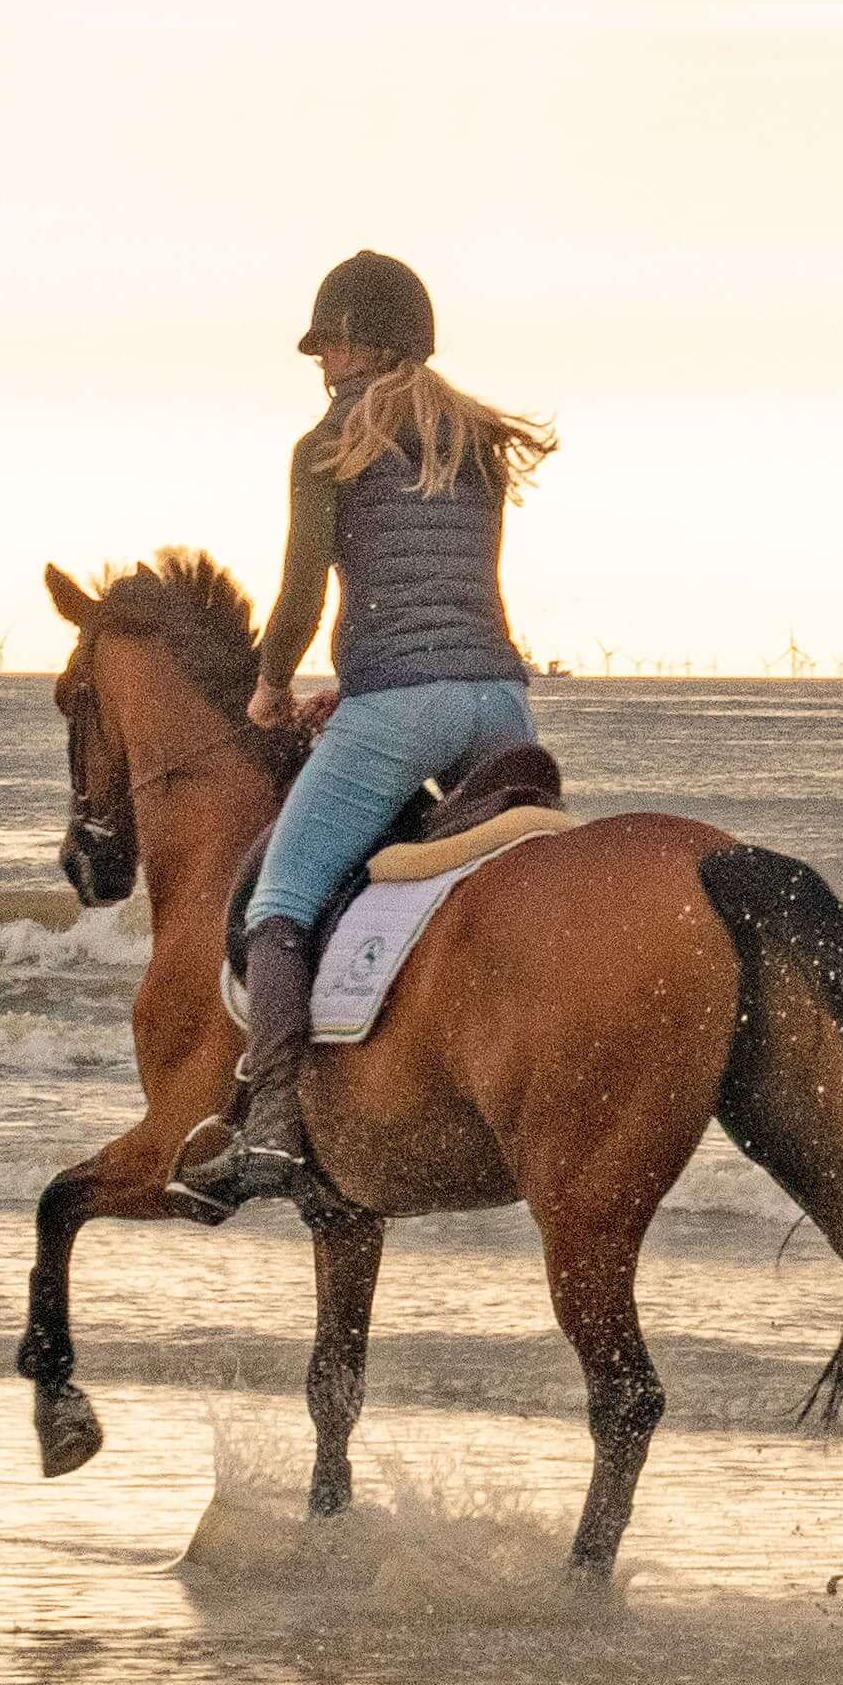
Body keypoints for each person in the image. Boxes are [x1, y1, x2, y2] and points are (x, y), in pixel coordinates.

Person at [175, 249, 552, 1212]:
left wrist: (271, 688)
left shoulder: (327, 444)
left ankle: (271, 1136)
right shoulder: (471, 443)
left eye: (328, 343)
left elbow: (302, 595)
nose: (320, 363)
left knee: (282, 898)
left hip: (400, 705)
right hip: (499, 701)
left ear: (364, 344)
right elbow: (459, 595)